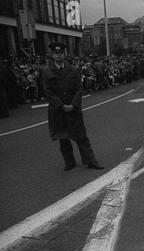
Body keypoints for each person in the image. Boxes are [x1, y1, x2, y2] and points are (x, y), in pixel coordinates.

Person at [43, 42, 104, 171]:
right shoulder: (47, 72)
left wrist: (73, 104)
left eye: (61, 53)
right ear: (52, 55)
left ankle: (91, 161)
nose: (59, 56)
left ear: (64, 54)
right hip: (59, 110)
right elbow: (48, 92)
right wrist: (61, 105)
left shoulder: (74, 70)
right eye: (56, 53)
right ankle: (69, 162)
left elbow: (79, 89)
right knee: (63, 138)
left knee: (81, 136)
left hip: (73, 109)